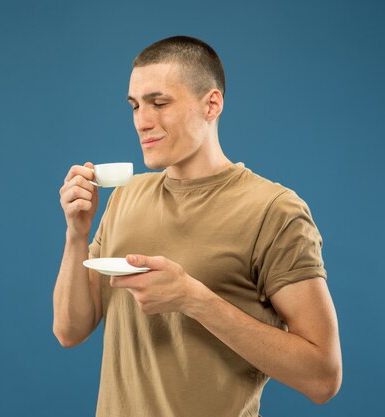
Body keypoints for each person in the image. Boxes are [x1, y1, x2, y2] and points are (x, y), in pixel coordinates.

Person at [53, 35, 342, 417]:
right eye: (135, 106)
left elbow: (323, 378)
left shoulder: (275, 211)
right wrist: (77, 232)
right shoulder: (125, 196)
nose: (142, 120)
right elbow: (69, 331)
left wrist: (194, 299)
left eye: (159, 103)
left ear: (212, 104)